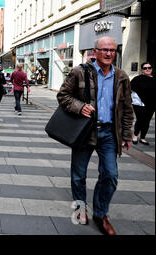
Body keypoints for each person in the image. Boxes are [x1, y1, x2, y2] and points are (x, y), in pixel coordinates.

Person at [57, 36, 133, 235]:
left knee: (111, 175)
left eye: (112, 50)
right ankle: (81, 208)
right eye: (105, 49)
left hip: (109, 132)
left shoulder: (122, 76)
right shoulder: (79, 72)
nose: (109, 53)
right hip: (85, 131)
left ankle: (100, 213)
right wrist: (80, 106)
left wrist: (126, 133)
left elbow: (126, 107)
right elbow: (63, 95)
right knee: (78, 174)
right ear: (95, 51)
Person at [131, 62, 155, 146]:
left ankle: (143, 138)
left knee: (147, 121)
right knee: (140, 119)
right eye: (145, 68)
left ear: (152, 68)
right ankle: (135, 135)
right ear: (142, 70)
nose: (147, 69)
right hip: (139, 104)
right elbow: (131, 90)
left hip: (151, 104)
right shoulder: (137, 79)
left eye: (149, 67)